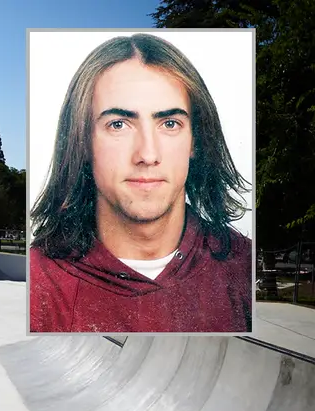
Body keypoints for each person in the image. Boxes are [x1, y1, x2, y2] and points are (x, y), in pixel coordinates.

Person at [30, 33, 252, 333]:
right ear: (82, 142)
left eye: (169, 124)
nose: (147, 154)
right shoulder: (39, 282)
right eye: (118, 124)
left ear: (195, 141)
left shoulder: (243, 268)